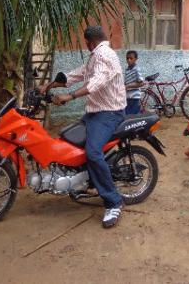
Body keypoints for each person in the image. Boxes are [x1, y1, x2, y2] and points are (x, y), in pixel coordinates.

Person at [46, 26, 127, 228]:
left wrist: (70, 96)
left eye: (86, 42)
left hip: (109, 114)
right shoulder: (95, 55)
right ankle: (81, 180)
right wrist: (49, 86)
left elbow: (96, 82)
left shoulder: (104, 55)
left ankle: (113, 201)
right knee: (67, 139)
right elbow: (79, 74)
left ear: (90, 41)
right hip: (94, 112)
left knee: (92, 152)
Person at [124, 50, 143, 115]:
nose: (129, 60)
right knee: (128, 114)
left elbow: (140, 83)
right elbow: (127, 81)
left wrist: (127, 86)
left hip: (134, 97)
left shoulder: (137, 69)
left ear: (136, 59)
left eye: (131, 58)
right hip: (128, 96)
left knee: (131, 115)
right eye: (127, 58)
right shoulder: (127, 69)